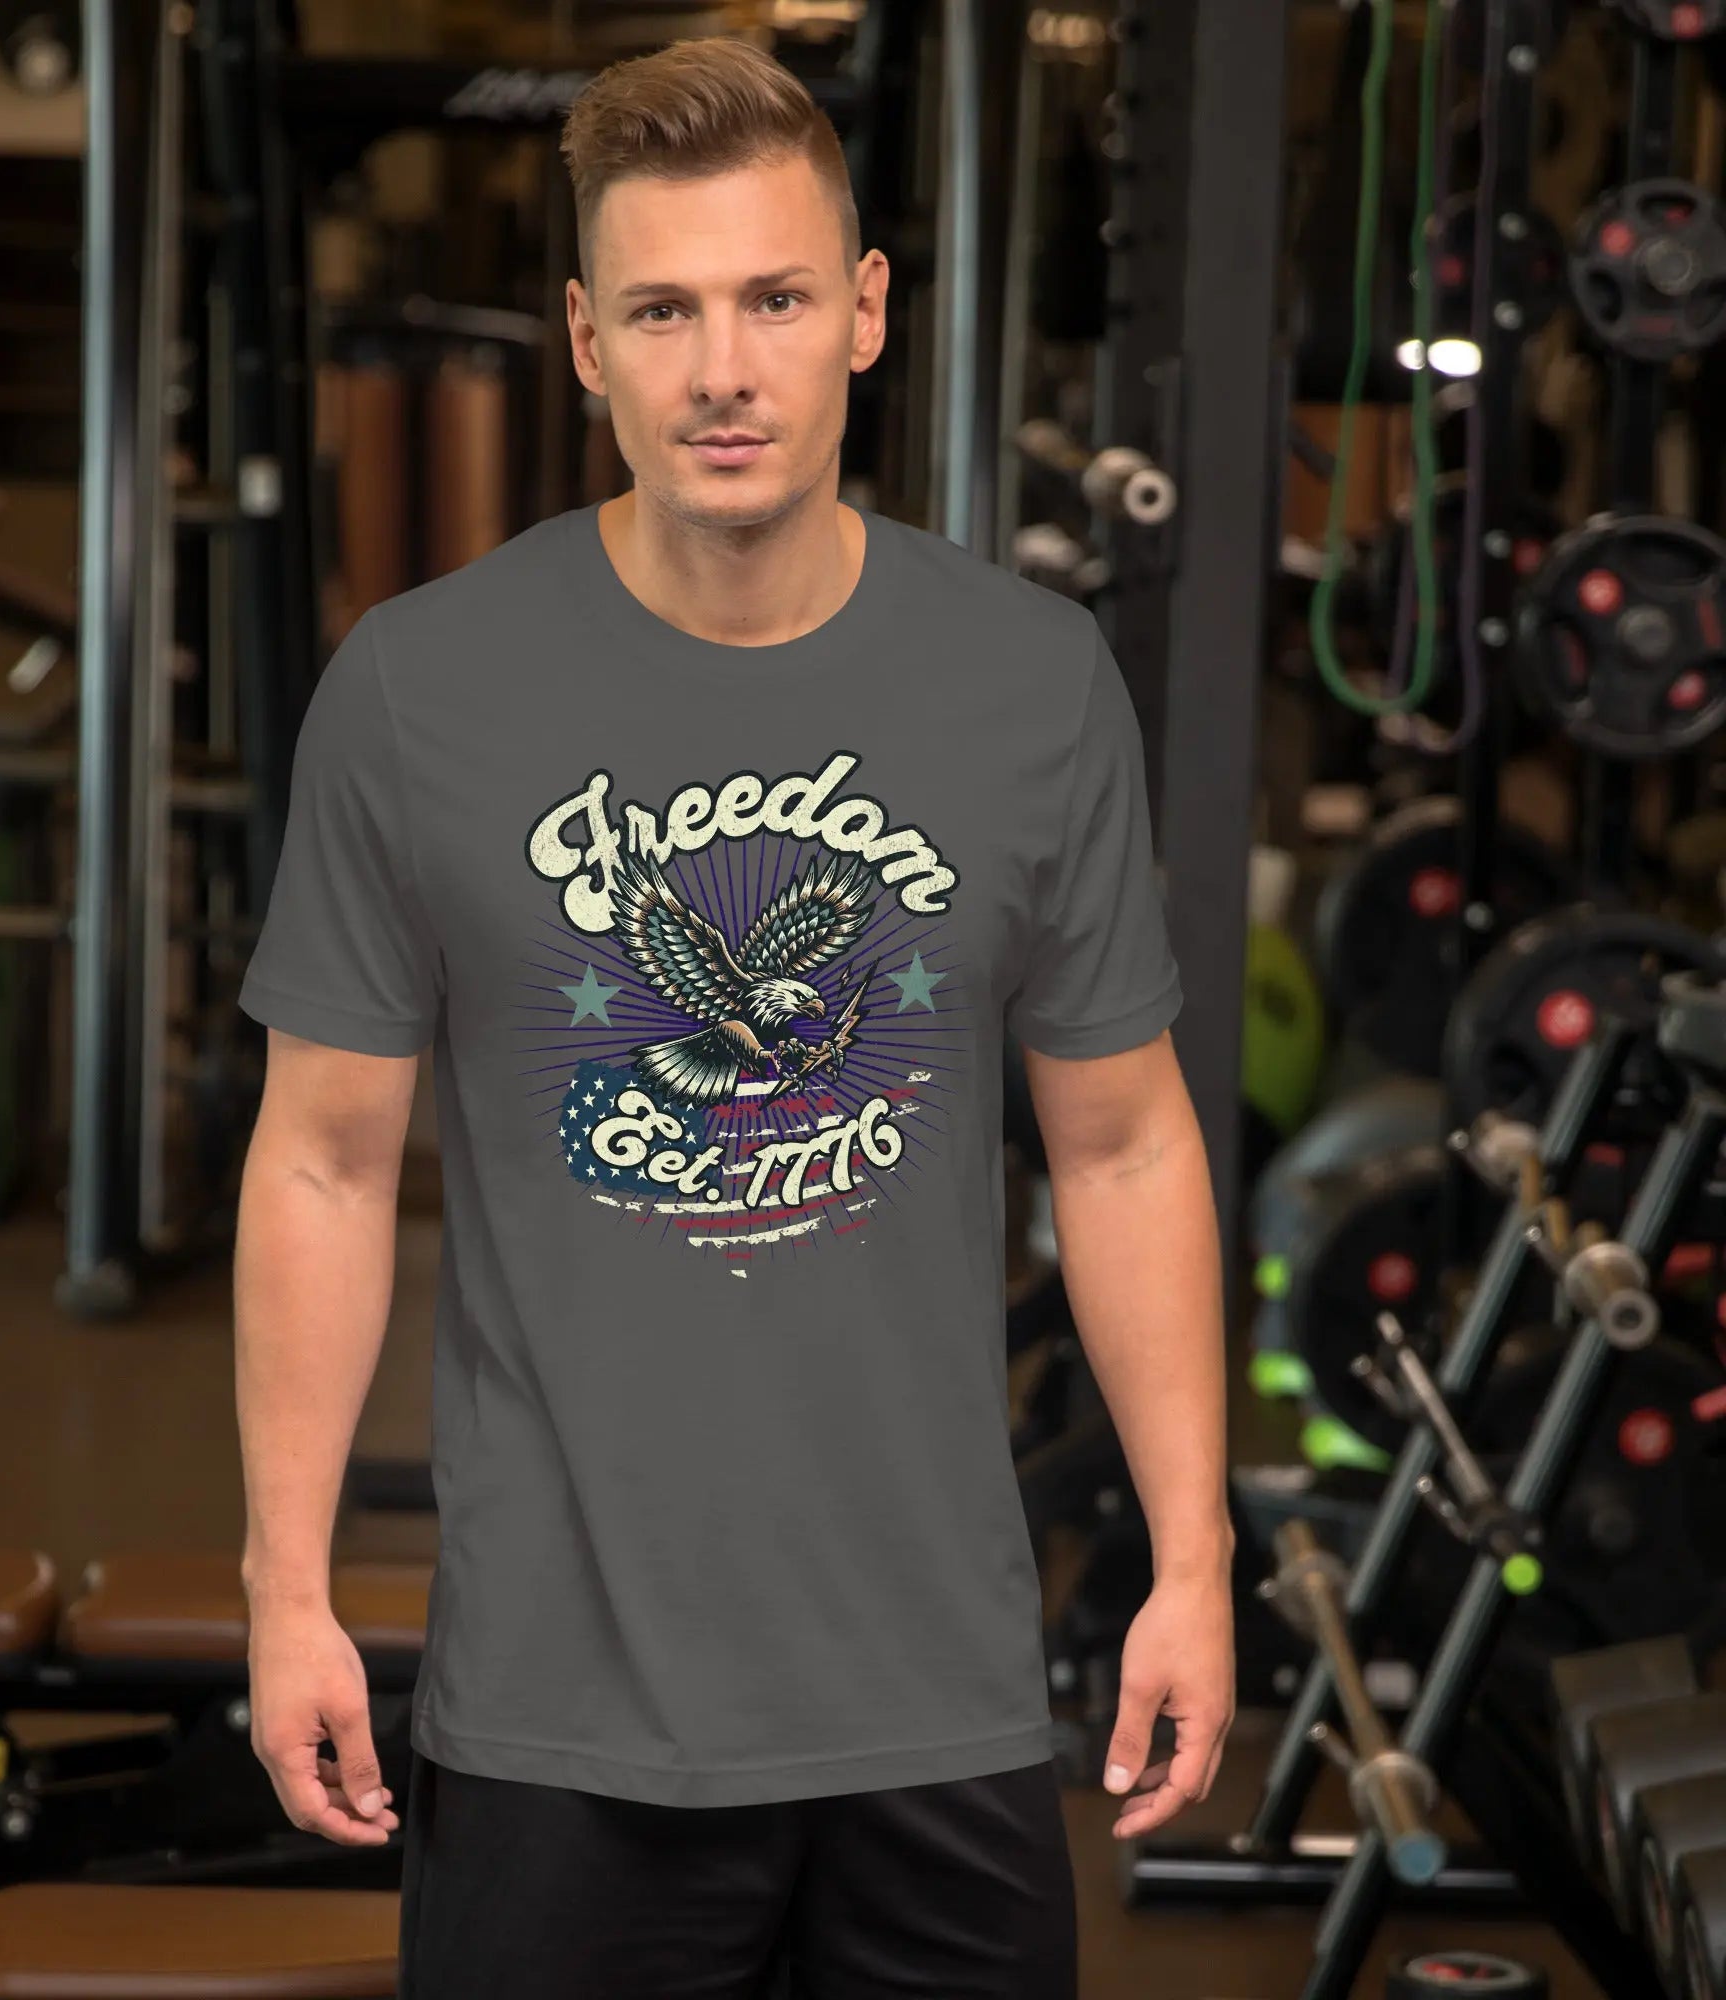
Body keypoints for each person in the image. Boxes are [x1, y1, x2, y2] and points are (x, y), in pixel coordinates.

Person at [233, 33, 1232, 1999]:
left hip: (934, 1702)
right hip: (559, 1714)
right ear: (586, 340)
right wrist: (285, 1588)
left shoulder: (1029, 686)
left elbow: (1122, 1140)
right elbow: (325, 1160)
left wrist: (1190, 1565)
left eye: (774, 298)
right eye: (666, 310)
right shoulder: (420, 692)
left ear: (862, 315)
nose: (722, 369)